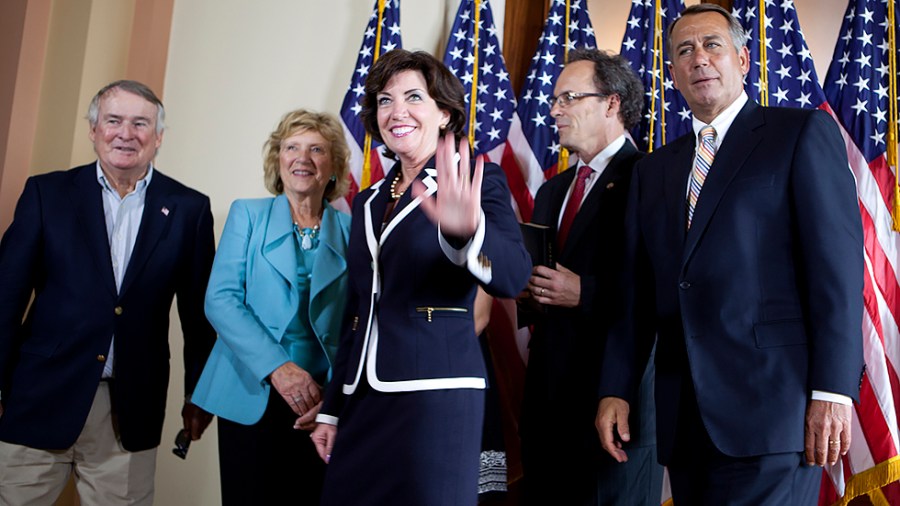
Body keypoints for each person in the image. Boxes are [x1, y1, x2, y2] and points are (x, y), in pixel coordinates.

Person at [595, 5, 864, 505]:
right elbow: (634, 295)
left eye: (712, 45)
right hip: (685, 420)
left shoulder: (800, 134)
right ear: (672, 74)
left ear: (742, 59)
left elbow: (837, 273)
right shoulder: (653, 171)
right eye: (684, 50)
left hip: (776, 414)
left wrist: (832, 389)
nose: (699, 58)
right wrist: (616, 388)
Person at [310, 49, 531, 506]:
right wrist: (332, 408)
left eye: (414, 97)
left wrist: (468, 236)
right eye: (385, 101)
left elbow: (511, 277)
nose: (397, 112)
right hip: (363, 397)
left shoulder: (477, 178)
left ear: (444, 113)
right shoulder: (369, 199)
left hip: (437, 396)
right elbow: (358, 311)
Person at [0, 80, 216, 505]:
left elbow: (198, 315)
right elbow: (6, 297)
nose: (126, 133)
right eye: (114, 120)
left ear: (158, 138)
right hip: (39, 398)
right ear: (94, 129)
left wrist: (199, 395)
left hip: (129, 410)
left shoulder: (189, 208)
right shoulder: (47, 193)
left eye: (141, 123)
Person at [519, 49, 663, 505]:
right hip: (547, 399)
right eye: (555, 100)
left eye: (568, 98)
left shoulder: (652, 177)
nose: (554, 110)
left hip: (614, 397)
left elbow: (664, 284)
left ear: (612, 103)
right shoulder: (552, 190)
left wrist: (585, 292)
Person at [191, 109, 351, 505]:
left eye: (317, 149)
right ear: (277, 161)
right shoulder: (247, 213)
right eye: (291, 147)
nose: (303, 157)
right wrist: (280, 369)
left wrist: (332, 397)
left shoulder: (352, 230)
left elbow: (358, 320)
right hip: (252, 388)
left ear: (333, 166)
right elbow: (221, 299)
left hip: (322, 401)